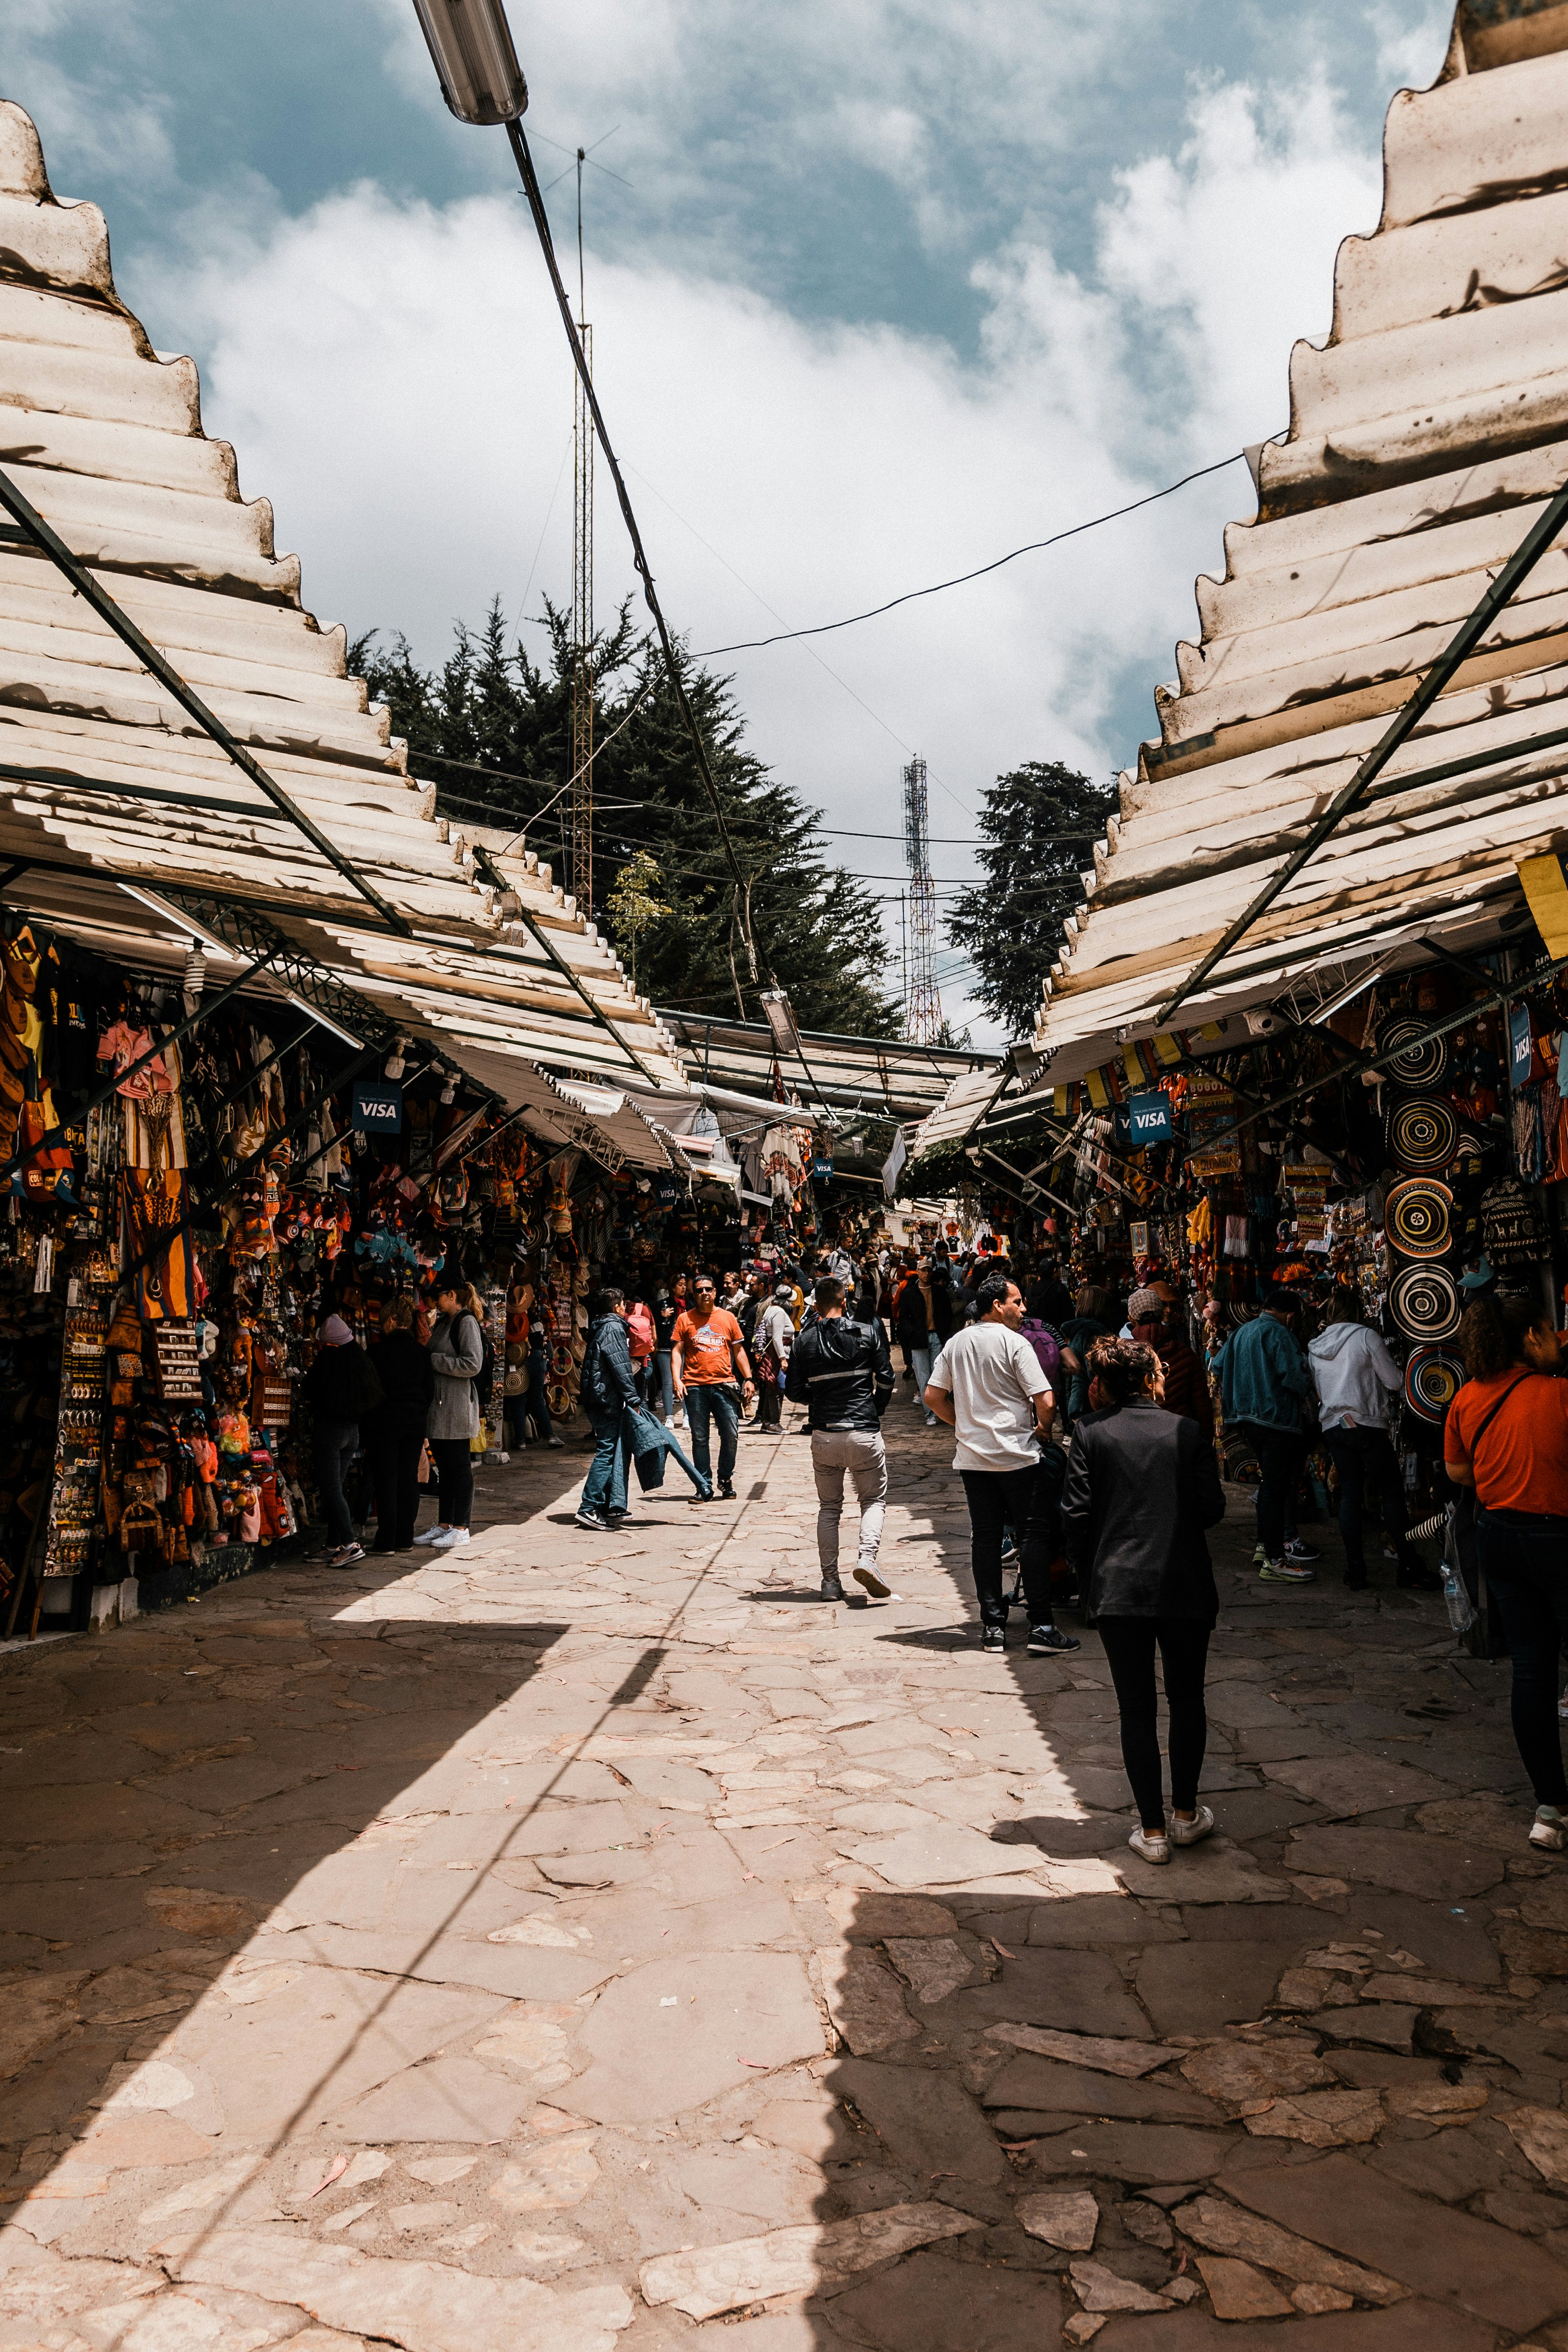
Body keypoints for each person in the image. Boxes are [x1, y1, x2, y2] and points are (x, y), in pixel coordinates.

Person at [1062, 1336, 1226, 1865]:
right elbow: (1212, 1508)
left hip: (1118, 1587)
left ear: (1103, 1383)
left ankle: (1152, 1831)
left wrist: (1091, 1574)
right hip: (1182, 1581)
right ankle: (1185, 1815)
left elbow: (1076, 1514)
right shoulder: (1187, 1431)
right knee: (1187, 1699)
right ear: (1153, 1379)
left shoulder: (1089, 1432)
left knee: (1135, 1708)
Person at [1445, 1293, 1568, 1852]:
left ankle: (1550, 1809)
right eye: (1550, 1330)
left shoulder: (1467, 1399)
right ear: (1528, 1338)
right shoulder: (1559, 1393)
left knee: (1532, 1671)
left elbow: (1458, 1472)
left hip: (1500, 1537)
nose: (1557, 1340)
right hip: (1557, 1537)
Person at [924, 1273, 1080, 1656]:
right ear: (998, 1305)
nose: (1024, 1309)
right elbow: (1045, 1400)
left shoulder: (957, 1343)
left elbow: (932, 1395)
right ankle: (1042, 1626)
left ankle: (993, 1627)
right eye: (1017, 1301)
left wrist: (964, 1425)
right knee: (1033, 1537)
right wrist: (1043, 1431)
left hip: (975, 1460)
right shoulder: (1015, 1343)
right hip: (1018, 1457)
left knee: (987, 1538)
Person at [1309, 1291, 1436, 1591]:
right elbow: (1393, 1381)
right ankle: (1408, 1565)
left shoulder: (1315, 1347)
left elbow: (1318, 1390)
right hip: (1366, 1422)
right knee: (1391, 1494)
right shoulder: (1365, 1337)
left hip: (1334, 1426)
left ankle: (1355, 1570)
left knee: (1350, 1495)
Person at [787, 1273, 896, 1601]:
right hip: (864, 1431)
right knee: (873, 1501)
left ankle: (830, 1583)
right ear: (844, 1301)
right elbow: (888, 1378)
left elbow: (792, 1389)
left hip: (825, 1435)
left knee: (829, 1507)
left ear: (816, 1306)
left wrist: (818, 1398)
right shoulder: (866, 1333)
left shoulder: (803, 1340)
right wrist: (875, 1408)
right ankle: (867, 1559)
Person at [1216, 1289, 1318, 1584]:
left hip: (1248, 1420)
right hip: (1276, 1421)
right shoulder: (1279, 1333)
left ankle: (1265, 1545)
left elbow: (1218, 1364)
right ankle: (1275, 1558)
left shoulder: (1241, 1331)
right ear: (1290, 1315)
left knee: (1270, 1486)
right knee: (1276, 1488)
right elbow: (1293, 1378)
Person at [301, 1312, 382, 1567]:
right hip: (352, 1433)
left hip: (330, 1433)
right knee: (336, 1486)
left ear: (328, 1342)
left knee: (331, 1490)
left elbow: (308, 1390)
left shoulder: (328, 1360)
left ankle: (349, 1543)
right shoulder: (360, 1358)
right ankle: (333, 1544)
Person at [672, 1273, 754, 1500]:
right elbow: (677, 1352)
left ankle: (725, 1479)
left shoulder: (728, 1318)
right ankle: (704, 1484)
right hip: (695, 1386)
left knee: (731, 1434)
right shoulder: (684, 1319)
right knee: (700, 1438)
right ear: (694, 1294)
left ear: (715, 1292)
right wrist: (677, 1380)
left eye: (708, 1289)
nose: (704, 1294)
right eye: (699, 1290)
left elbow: (738, 1351)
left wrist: (748, 1378)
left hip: (724, 1385)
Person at [363, 1296, 434, 1554]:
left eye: (383, 1322)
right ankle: (405, 1538)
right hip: (414, 1422)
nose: (381, 1328)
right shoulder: (422, 1353)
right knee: (408, 1479)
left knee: (387, 1481)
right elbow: (429, 1390)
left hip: (385, 1422)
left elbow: (369, 1391)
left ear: (392, 1321)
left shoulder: (377, 1352)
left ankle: (386, 1541)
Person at [417, 1280, 484, 1552]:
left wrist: (433, 1361)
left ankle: (461, 1527)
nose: (435, 1301)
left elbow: (473, 1364)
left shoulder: (465, 1322)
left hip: (456, 1407)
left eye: (439, 1295)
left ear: (452, 1294)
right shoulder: (445, 1322)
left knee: (459, 1468)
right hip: (441, 1407)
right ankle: (444, 1524)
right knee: (445, 1469)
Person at [577, 1286, 641, 1531]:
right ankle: (589, 1507)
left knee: (611, 1449)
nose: (625, 1308)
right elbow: (620, 1367)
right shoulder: (614, 1328)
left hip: (599, 1397)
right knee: (606, 1451)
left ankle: (604, 1504)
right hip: (605, 1399)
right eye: (624, 1304)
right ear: (617, 1307)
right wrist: (633, 1400)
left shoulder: (602, 1326)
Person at [1126, 1286, 1206, 1425]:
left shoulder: (1121, 1354)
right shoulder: (1186, 1355)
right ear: (1160, 1314)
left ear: (1132, 1320)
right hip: (1178, 1433)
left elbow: (1098, 1396)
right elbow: (1202, 1407)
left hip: (1134, 1434)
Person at [896, 1256, 954, 1427]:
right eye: (924, 1270)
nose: (927, 1273)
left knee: (938, 1375)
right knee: (923, 1377)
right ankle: (930, 1413)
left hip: (936, 1336)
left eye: (929, 1270)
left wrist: (944, 1333)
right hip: (919, 1339)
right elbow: (904, 1318)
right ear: (918, 1272)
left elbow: (947, 1314)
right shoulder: (909, 1293)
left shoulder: (939, 1292)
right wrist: (912, 1333)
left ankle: (939, 1411)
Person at [755, 1282, 796, 1431]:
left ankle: (767, 1422)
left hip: (774, 1354)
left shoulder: (770, 1309)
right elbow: (777, 1338)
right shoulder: (779, 1312)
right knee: (778, 1389)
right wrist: (783, 1359)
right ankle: (774, 1423)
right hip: (777, 1355)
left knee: (771, 1388)